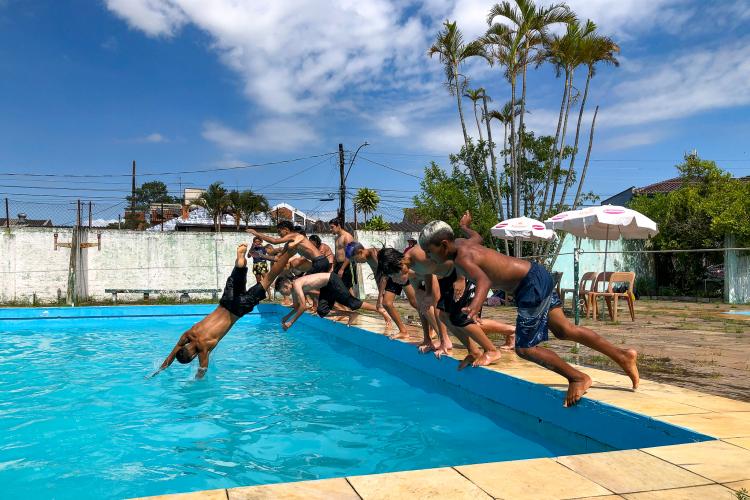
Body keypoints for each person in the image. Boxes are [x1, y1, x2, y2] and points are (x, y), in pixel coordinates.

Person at [418, 217, 640, 407]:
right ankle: (623, 356)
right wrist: (466, 226)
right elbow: (478, 238)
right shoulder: (462, 243)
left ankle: (577, 377)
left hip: (529, 285)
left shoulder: (463, 259)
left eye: (430, 251)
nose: (429, 257)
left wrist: (476, 305)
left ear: (444, 245)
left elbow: (483, 280)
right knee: (564, 330)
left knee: (525, 348)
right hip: (536, 275)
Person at [151, 244, 268, 379]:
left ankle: (275, 259)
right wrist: (161, 368)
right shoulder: (186, 336)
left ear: (193, 356)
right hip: (225, 303)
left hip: (235, 310)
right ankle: (240, 259)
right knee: (239, 273)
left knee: (266, 279)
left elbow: (202, 370)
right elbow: (170, 357)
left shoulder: (203, 351)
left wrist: (194, 381)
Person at [377, 246, 454, 357]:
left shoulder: (419, 258)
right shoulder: (411, 272)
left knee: (461, 324)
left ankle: (445, 340)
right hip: (443, 279)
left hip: (456, 277)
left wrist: (443, 341)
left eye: (393, 275)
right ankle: (433, 338)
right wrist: (427, 339)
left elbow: (437, 302)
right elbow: (420, 305)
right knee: (420, 298)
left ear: (400, 265)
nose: (393, 280)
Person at [275, 272, 390, 330]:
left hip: (332, 280)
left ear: (286, 286)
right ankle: (351, 314)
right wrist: (287, 317)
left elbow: (303, 307)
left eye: (282, 292)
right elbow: (296, 306)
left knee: (352, 303)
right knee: (322, 311)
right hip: (326, 287)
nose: (283, 294)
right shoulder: (294, 290)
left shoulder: (296, 285)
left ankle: (380, 310)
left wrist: (291, 322)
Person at [347, 242, 412, 335]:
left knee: (414, 302)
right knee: (387, 303)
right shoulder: (368, 258)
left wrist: (380, 297)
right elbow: (377, 275)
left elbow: (384, 276)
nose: (357, 262)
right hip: (391, 277)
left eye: (355, 259)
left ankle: (431, 327)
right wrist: (380, 293)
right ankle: (403, 331)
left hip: (398, 273)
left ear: (360, 252)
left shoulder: (374, 254)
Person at [247, 221, 329, 277]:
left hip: (320, 261)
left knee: (303, 285)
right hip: (318, 263)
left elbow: (274, 241)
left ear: (286, 230)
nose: (279, 234)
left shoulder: (294, 235)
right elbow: (278, 258)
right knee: (315, 288)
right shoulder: (290, 244)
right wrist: (261, 255)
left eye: (279, 231)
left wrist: (256, 233)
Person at [329, 218, 355, 292]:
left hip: (345, 265)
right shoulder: (337, 238)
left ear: (338, 226)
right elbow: (336, 254)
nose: (331, 229)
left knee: (348, 288)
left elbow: (349, 254)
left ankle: (355, 303)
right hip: (338, 265)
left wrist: (342, 269)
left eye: (332, 227)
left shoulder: (347, 237)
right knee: (336, 287)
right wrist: (333, 267)